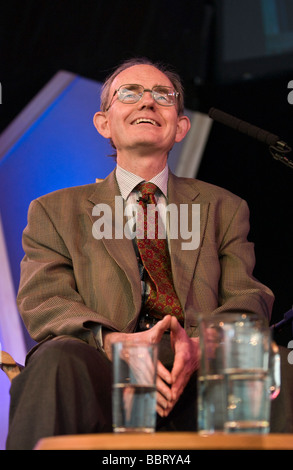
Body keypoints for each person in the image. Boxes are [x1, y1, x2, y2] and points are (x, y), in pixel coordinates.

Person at [6, 58, 274, 449]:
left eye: (163, 96)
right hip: (99, 366)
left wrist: (203, 347)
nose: (148, 103)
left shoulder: (224, 208)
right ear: (104, 124)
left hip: (200, 371)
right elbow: (45, 300)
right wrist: (115, 343)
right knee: (56, 358)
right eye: (130, 94)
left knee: (270, 361)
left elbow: (248, 300)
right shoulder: (54, 210)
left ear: (180, 127)